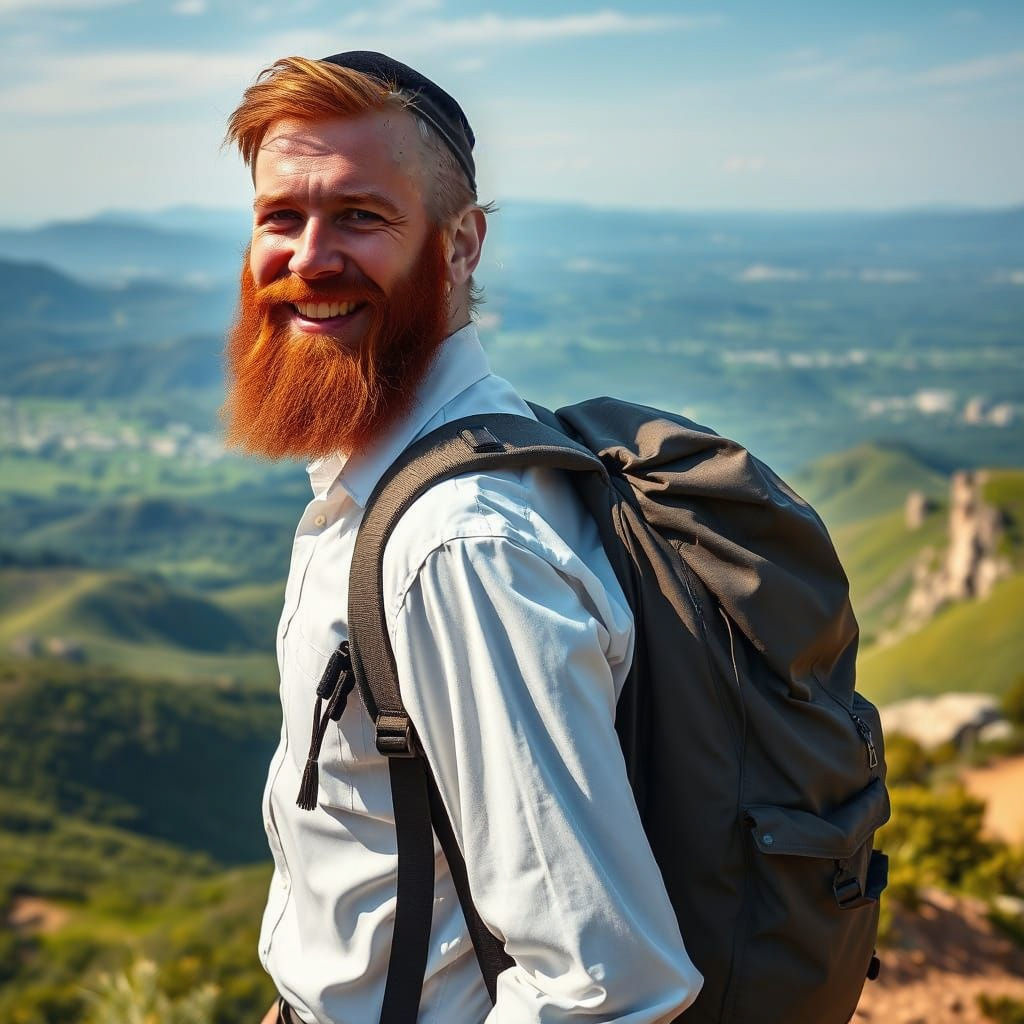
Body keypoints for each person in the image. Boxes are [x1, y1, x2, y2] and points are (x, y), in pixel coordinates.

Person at [221, 51, 703, 1024]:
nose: (308, 257)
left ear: (460, 245)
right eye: (281, 217)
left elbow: (605, 986)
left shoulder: (457, 543)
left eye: (360, 215)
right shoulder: (389, 480)